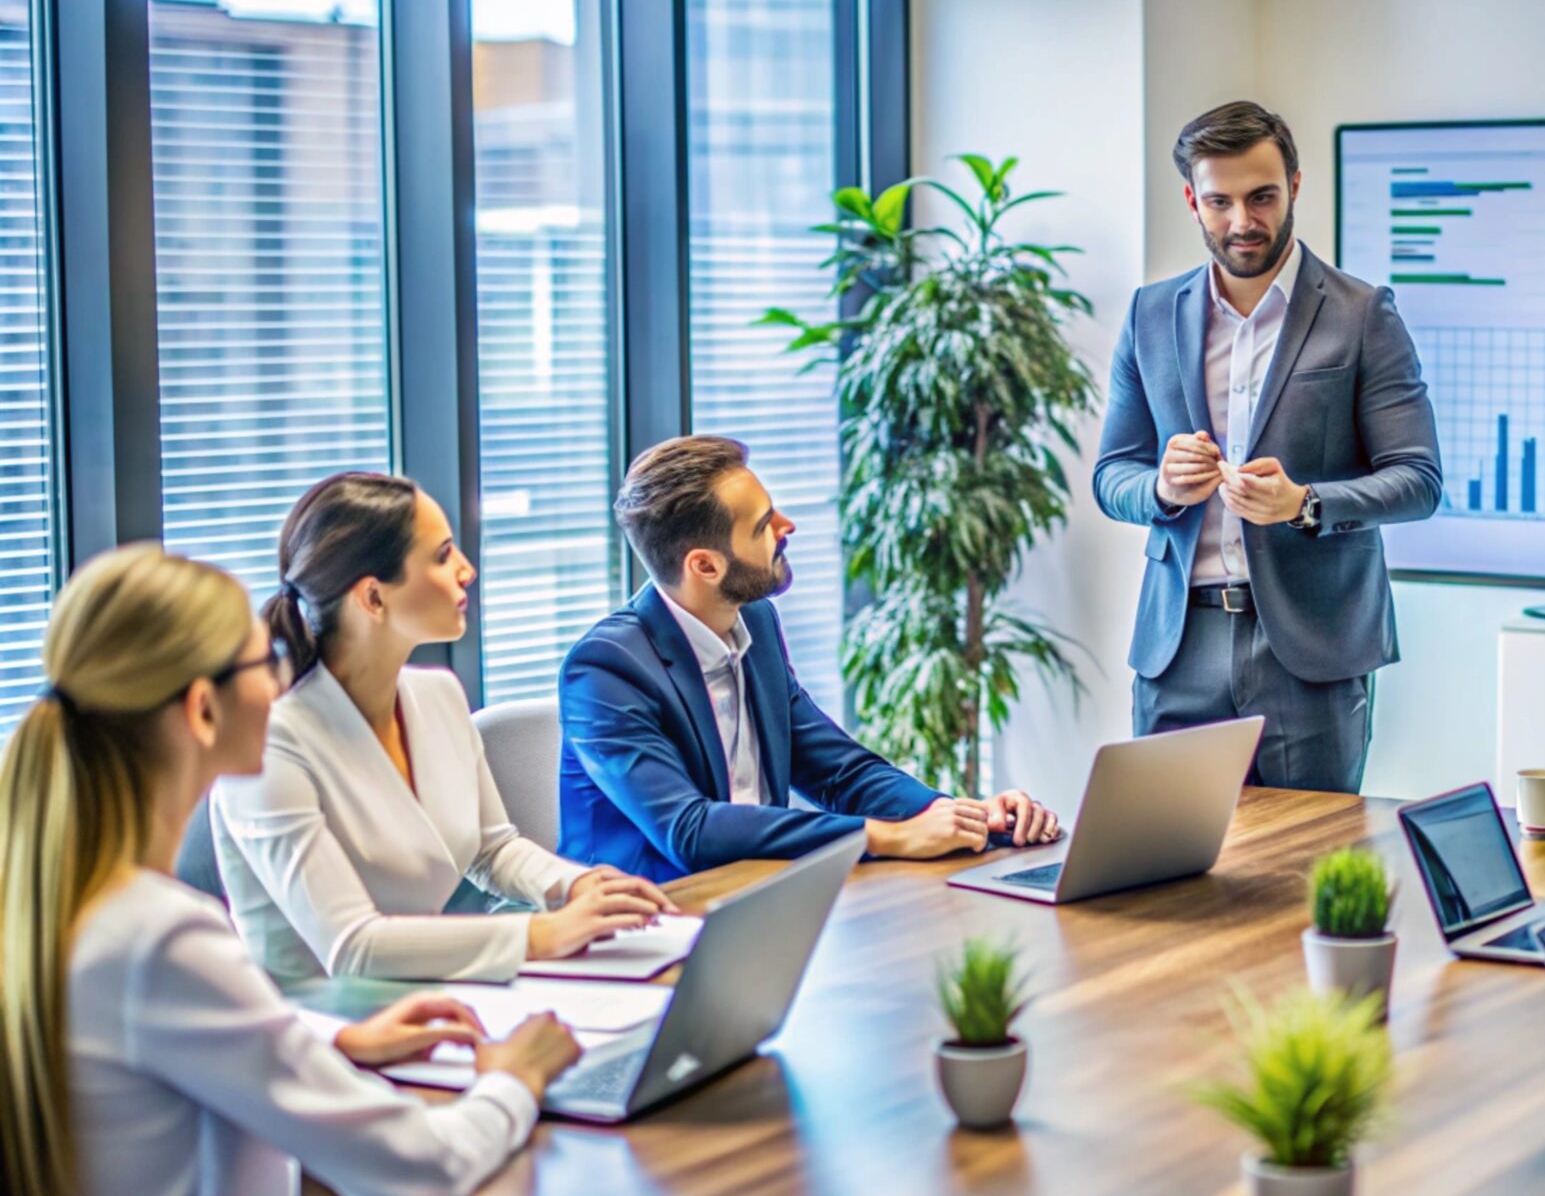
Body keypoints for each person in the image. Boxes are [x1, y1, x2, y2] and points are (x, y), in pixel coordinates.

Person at [0, 544, 587, 1196]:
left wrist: (332, 1038)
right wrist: (512, 1082)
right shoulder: (162, 938)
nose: (282, 680)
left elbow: (152, 1042)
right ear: (203, 709)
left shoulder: (55, 907)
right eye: (262, 660)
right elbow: (417, 1170)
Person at [1092, 99, 1442, 793]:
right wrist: (1160, 487)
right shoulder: (1149, 314)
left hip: (1311, 651)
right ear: (1193, 200)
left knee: (1306, 874)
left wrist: (1304, 503)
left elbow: (1418, 479)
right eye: (1220, 201)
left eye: (1262, 197)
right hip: (1177, 646)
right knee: (1168, 875)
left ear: (1295, 187)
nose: (1242, 222)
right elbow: (1112, 475)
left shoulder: (1363, 313)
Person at [213, 473, 676, 983]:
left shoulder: (437, 695)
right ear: (372, 597)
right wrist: (544, 935)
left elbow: (491, 849)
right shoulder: (269, 745)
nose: (467, 570)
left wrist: (577, 887)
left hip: (429, 996)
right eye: (442, 555)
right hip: (315, 1027)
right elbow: (352, 947)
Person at [558, 436, 1060, 883]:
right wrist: (885, 837)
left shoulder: (754, 621)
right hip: (646, 921)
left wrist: (958, 816)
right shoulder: (605, 669)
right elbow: (689, 829)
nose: (786, 526)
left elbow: (838, 770)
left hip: (763, 899)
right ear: (705, 565)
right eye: (762, 525)